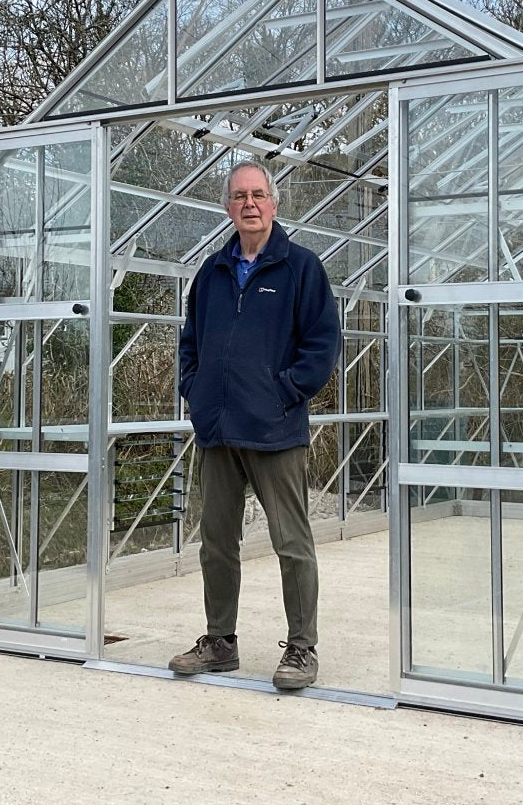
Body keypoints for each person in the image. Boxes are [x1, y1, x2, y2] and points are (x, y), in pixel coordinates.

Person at [169, 159, 341, 690]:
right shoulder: (212, 273)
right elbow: (190, 342)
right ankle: (220, 642)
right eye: (240, 196)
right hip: (218, 429)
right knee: (217, 543)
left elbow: (323, 344)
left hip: (274, 430)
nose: (249, 204)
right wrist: (196, 391)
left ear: (273, 203)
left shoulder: (301, 268)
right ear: (228, 206)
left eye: (258, 195)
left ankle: (302, 648)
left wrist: (283, 393)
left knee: (292, 541)